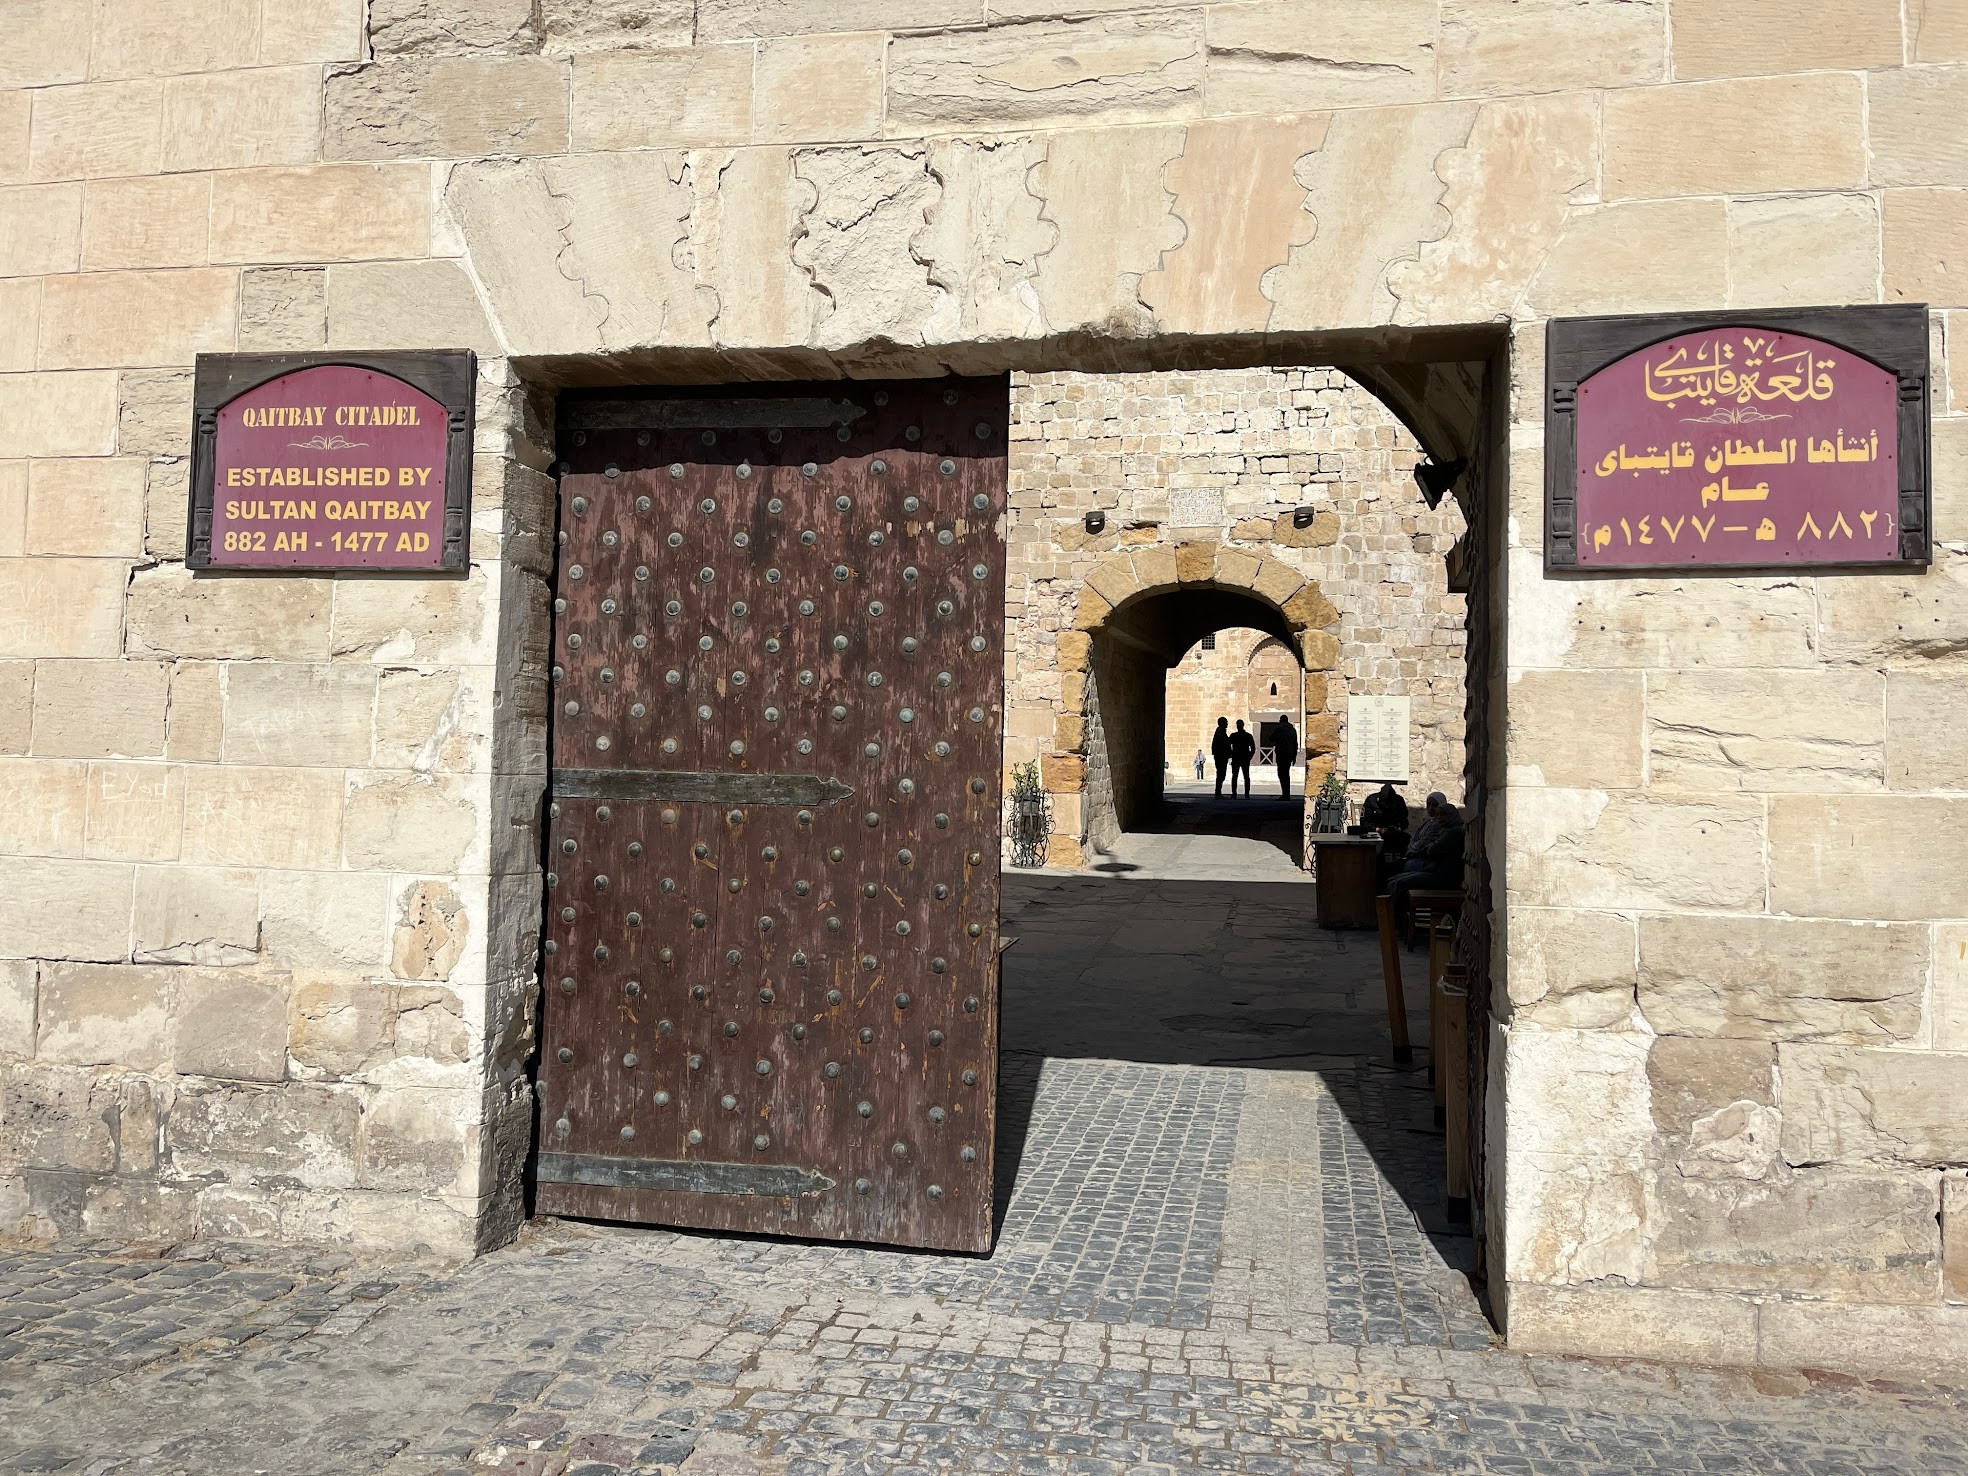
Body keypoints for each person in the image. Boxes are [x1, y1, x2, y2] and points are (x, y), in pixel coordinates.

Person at [1387, 792, 1463, 942]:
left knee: (1399, 884)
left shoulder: (1453, 833)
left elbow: (1432, 849)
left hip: (1442, 876)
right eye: (1438, 814)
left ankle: (1396, 927)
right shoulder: (1443, 829)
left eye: (1443, 814)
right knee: (1393, 880)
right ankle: (1393, 924)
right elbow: (1420, 843)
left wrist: (1422, 851)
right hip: (1433, 869)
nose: (1439, 817)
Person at [1273, 714, 1298, 798]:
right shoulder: (1293, 730)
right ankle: (1287, 793)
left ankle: (1285, 793)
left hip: (1281, 753)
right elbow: (1295, 744)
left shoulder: (1279, 728)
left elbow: (1271, 738)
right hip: (1290, 754)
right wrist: (1294, 756)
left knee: (1281, 774)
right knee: (1286, 773)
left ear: (1281, 720)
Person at [1228, 719, 1255, 796]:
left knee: (1235, 776)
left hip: (1237, 758)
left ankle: (1234, 794)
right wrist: (1249, 756)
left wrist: (1231, 754)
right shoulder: (1248, 736)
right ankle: (1246, 794)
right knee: (1245, 776)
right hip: (1243, 758)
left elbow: (1228, 746)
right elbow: (1253, 748)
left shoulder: (1234, 736)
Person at [1210, 717, 1232, 796]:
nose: (1227, 724)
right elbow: (1223, 744)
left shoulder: (1220, 731)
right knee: (1221, 774)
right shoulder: (1220, 732)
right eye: (1226, 722)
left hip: (1220, 756)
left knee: (1221, 774)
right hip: (1221, 756)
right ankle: (1218, 792)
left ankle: (1218, 792)